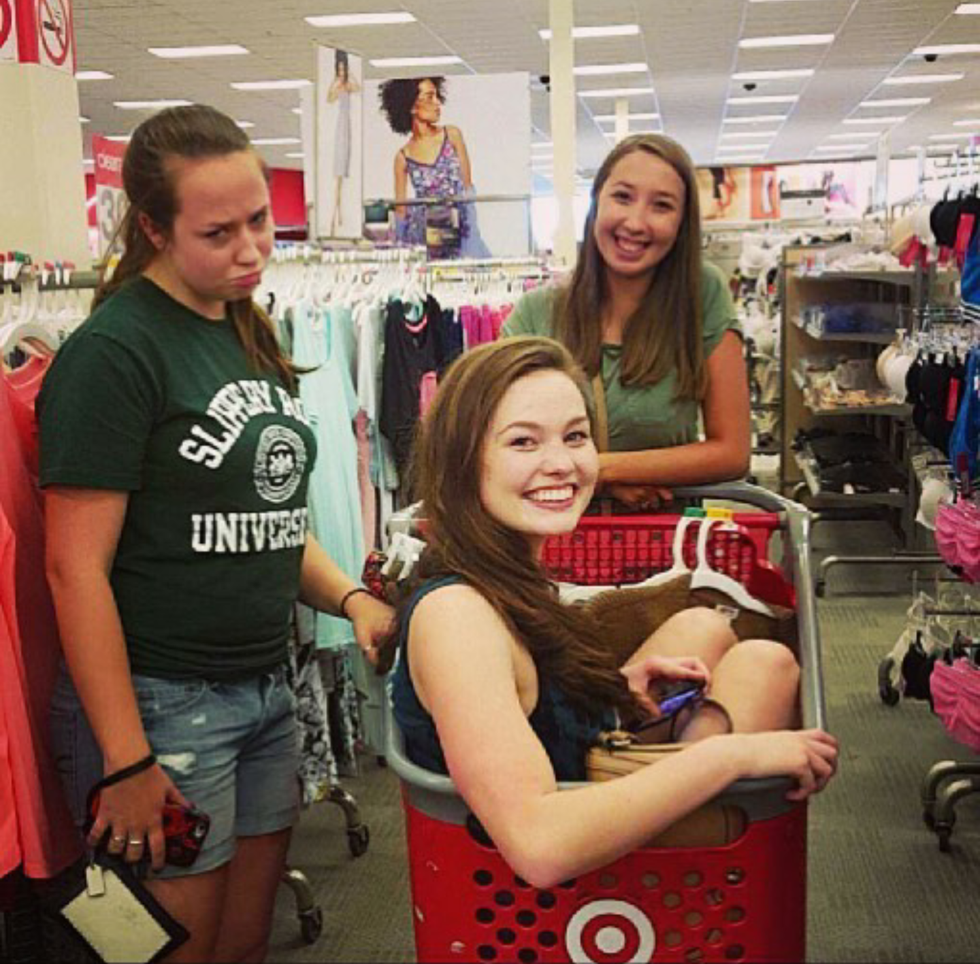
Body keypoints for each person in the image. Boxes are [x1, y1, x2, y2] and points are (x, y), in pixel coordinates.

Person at [38, 104, 394, 963]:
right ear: (154, 229)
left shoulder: (243, 325)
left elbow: (272, 522)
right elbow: (72, 570)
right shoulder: (114, 353)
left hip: (265, 688)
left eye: (259, 220)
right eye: (218, 232)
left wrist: (352, 599)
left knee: (243, 945)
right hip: (162, 704)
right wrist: (127, 761)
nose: (250, 249)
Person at [391, 336, 837, 888]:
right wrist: (731, 756)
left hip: (577, 776)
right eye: (523, 442)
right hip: (542, 898)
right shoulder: (456, 617)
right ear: (462, 460)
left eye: (575, 436)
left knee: (709, 630)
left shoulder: (503, 573)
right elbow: (539, 846)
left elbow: (523, 702)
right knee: (767, 667)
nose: (561, 464)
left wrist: (607, 689)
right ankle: (694, 876)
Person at [502, 133, 750, 510]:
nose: (635, 222)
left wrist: (602, 471)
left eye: (661, 206)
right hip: (551, 535)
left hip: (667, 538)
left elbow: (731, 453)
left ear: (681, 224)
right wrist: (602, 480)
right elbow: (496, 446)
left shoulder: (702, 295)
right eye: (622, 197)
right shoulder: (535, 314)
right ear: (596, 202)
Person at [378, 76, 486, 258]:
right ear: (412, 107)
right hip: (425, 237)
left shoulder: (452, 135)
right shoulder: (403, 156)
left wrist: (471, 239)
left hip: (460, 231)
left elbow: (467, 190)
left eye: (437, 96)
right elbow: (401, 211)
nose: (437, 103)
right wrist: (399, 252)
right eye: (429, 97)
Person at [326, 49, 360, 237]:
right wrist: (334, 83)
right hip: (340, 126)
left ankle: (338, 215)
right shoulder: (338, 87)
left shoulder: (348, 85)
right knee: (338, 170)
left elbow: (358, 88)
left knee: (343, 170)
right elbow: (329, 99)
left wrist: (350, 75)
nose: (341, 73)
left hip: (347, 126)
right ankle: (335, 216)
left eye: (343, 69)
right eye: (338, 69)